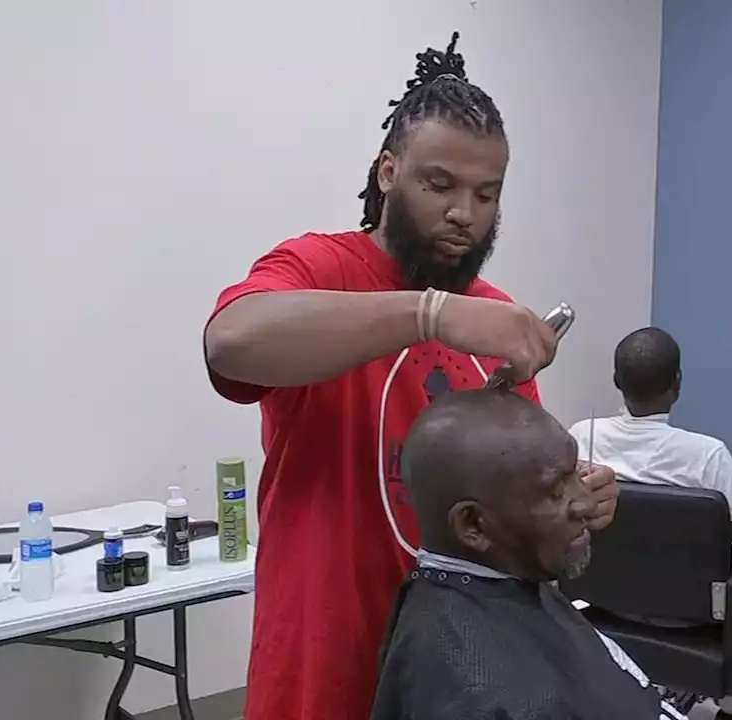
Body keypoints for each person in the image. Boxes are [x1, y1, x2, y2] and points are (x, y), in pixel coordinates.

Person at [202, 33, 619, 720]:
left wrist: (574, 501)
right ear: (388, 171)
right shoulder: (321, 269)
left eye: (488, 194)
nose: (465, 213)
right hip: (326, 675)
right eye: (440, 185)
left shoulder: (492, 319)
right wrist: (429, 314)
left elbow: (510, 494)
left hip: (457, 680)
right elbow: (231, 343)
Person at [371, 389, 687, 720]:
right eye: (556, 490)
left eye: (576, 473)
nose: (588, 503)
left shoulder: (510, 572)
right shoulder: (473, 689)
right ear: (474, 524)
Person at [569, 327, 732, 566]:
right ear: (677, 382)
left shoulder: (582, 436)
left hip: (598, 593)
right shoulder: (708, 455)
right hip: (692, 598)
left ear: (617, 381)